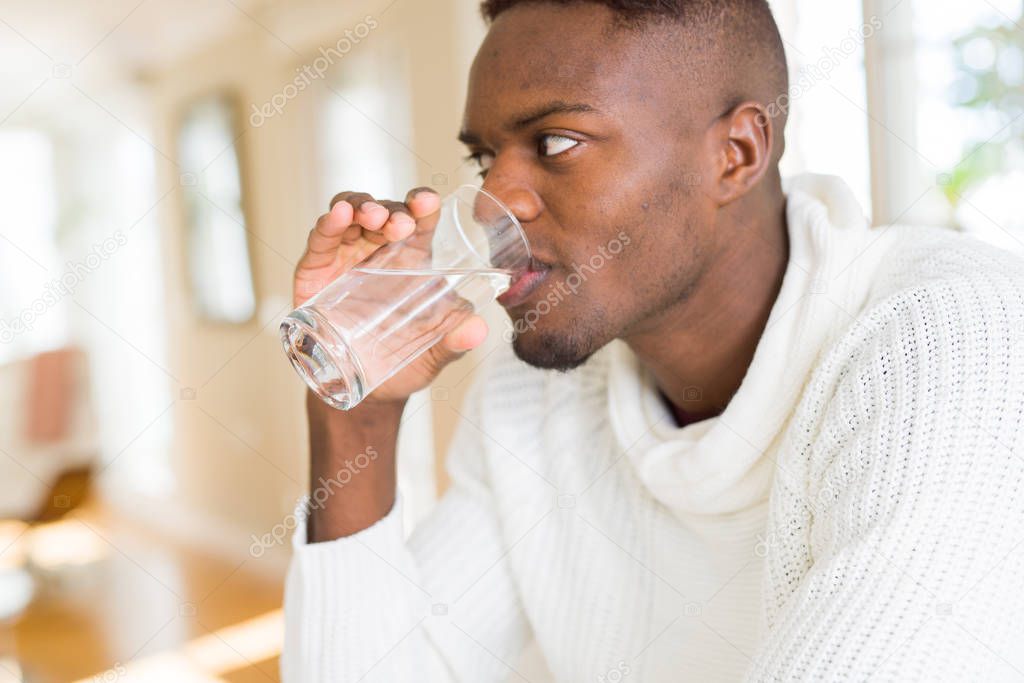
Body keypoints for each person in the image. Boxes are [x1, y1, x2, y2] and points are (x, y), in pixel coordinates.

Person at [282, 1, 1024, 681]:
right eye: (485, 159)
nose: (490, 203)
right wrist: (354, 405)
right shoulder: (529, 390)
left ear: (735, 153)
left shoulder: (953, 339)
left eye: (557, 141)